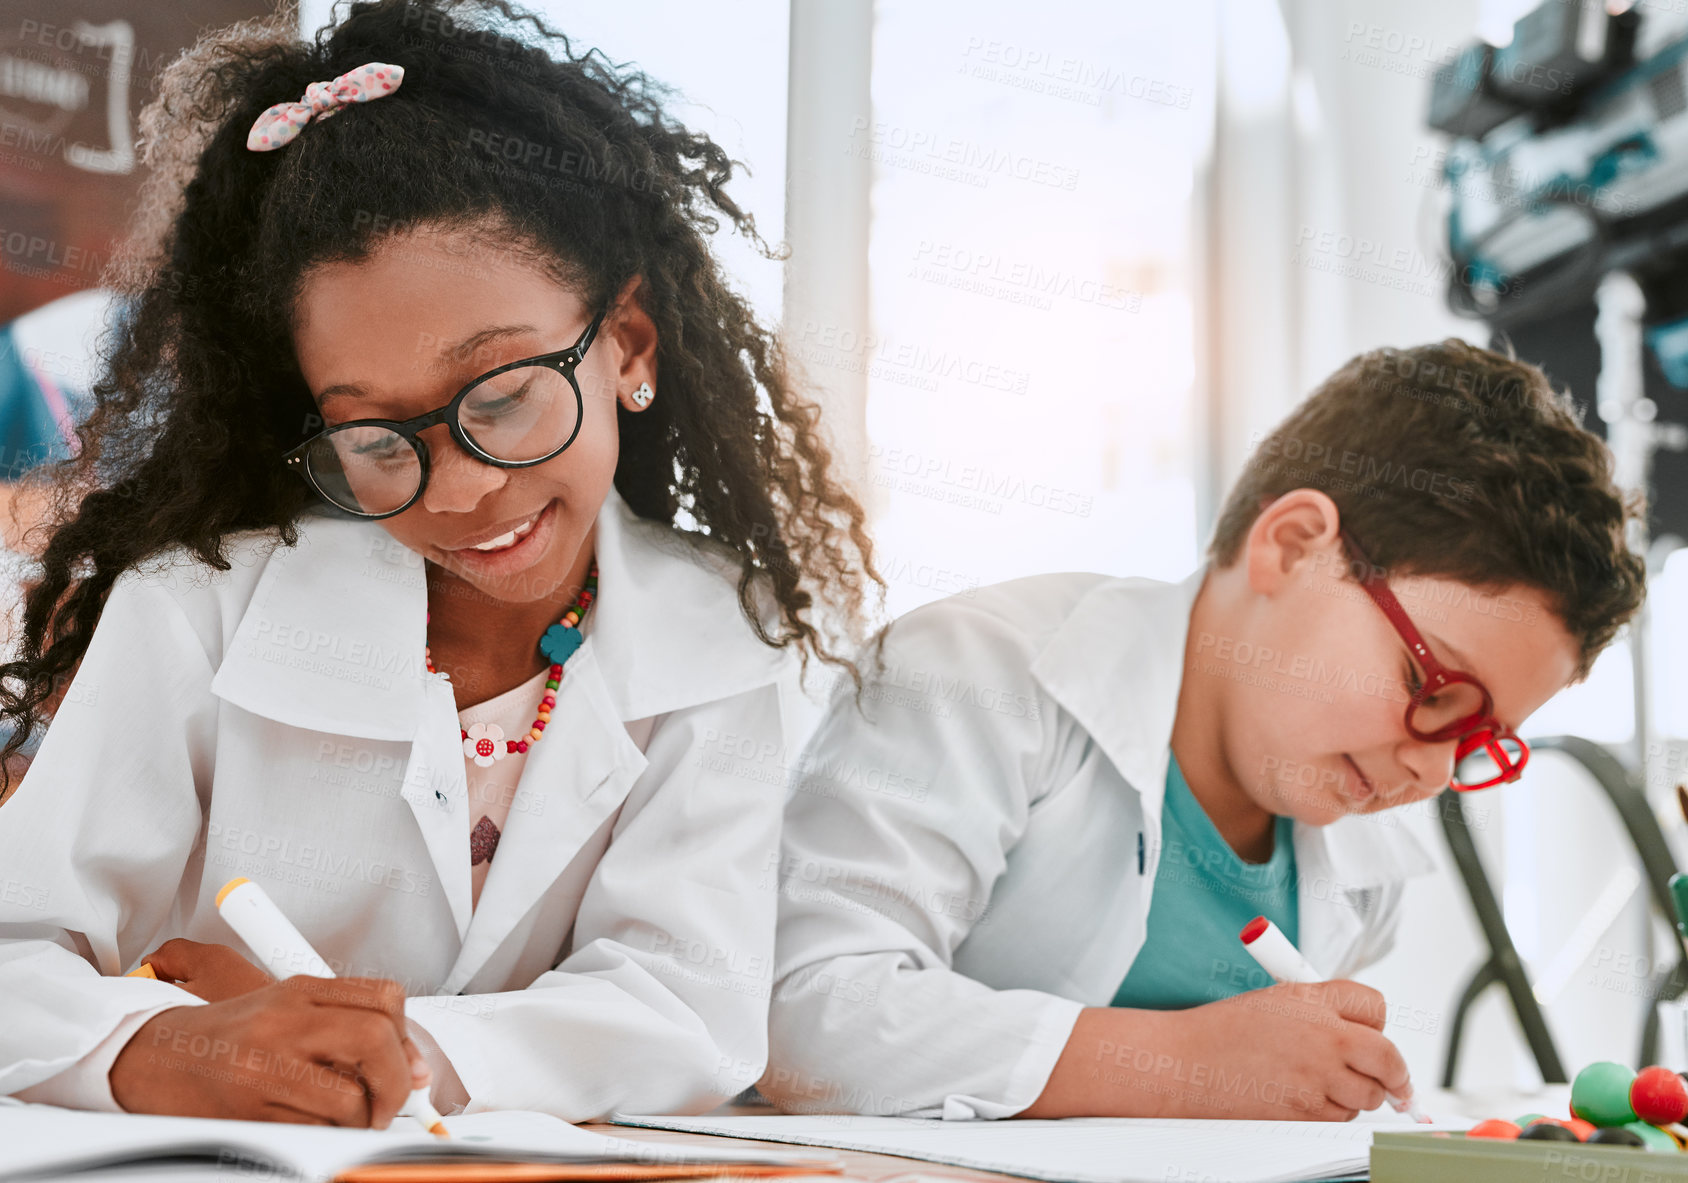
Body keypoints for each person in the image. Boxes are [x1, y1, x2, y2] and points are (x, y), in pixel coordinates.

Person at [0, 0, 877, 1127]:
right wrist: (160, 1048)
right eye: (375, 439)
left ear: (629, 345)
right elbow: (15, 951)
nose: (459, 490)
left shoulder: (708, 629)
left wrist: (378, 1051)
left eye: (504, 397)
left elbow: (684, 1009)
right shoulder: (199, 611)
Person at [760, 339, 1645, 1121]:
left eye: (1480, 740)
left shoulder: (1369, 862)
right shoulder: (976, 673)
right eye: (1432, 686)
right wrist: (1187, 1066)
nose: (1435, 768)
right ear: (1292, 544)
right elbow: (807, 1011)